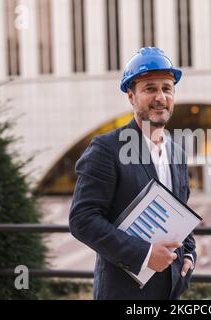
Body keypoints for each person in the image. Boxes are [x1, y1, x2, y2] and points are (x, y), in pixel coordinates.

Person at [69, 47, 197, 300]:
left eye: (167, 88)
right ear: (131, 96)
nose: (160, 97)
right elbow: (82, 220)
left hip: (170, 291)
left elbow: (181, 213)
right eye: (150, 88)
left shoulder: (177, 152)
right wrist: (145, 255)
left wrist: (190, 255)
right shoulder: (106, 148)